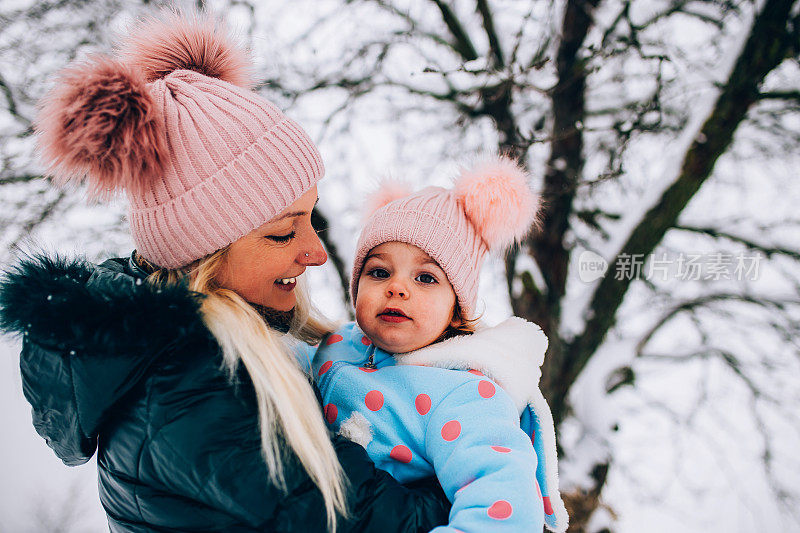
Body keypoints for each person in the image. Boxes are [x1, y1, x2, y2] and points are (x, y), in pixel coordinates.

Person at [0, 12, 450, 533]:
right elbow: (387, 523)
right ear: (204, 253)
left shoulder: (190, 358)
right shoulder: (196, 392)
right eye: (283, 232)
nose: (316, 253)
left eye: (311, 219)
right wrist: (495, 464)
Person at [311, 156, 569, 532]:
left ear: (456, 311)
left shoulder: (465, 392)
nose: (396, 287)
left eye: (426, 278)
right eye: (379, 271)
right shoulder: (336, 344)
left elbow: (503, 502)